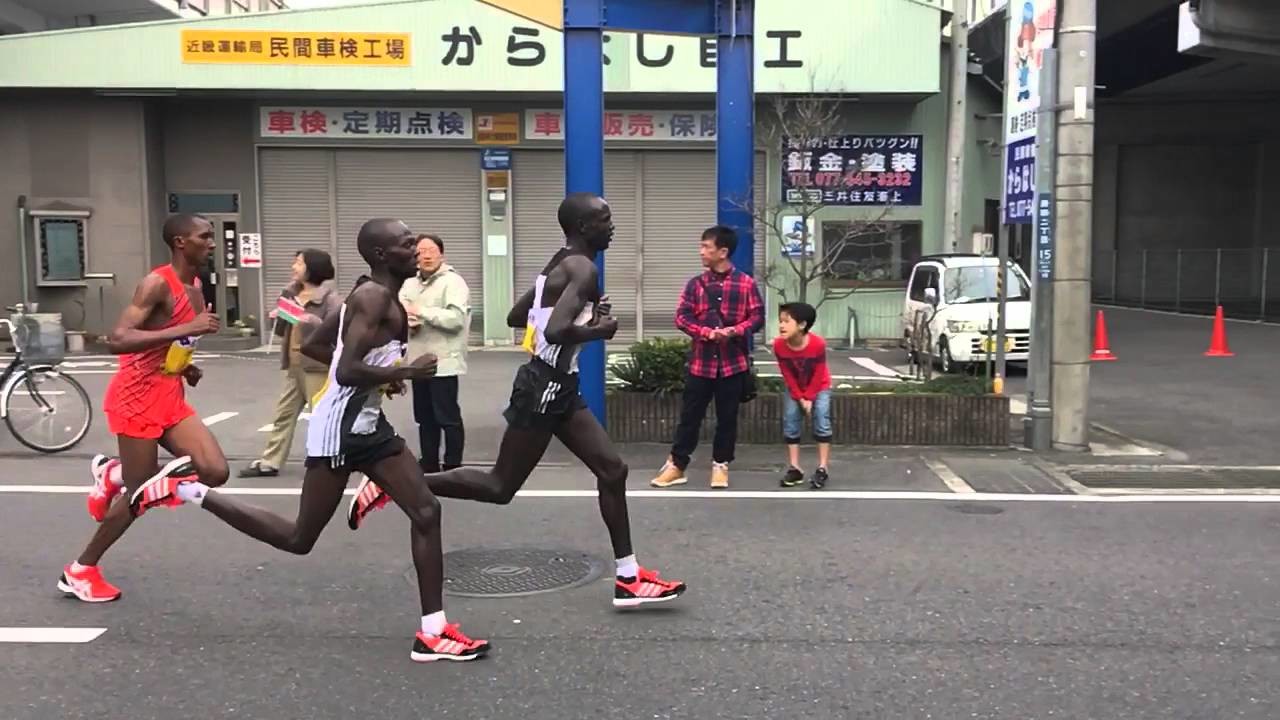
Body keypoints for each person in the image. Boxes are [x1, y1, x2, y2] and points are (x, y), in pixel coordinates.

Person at [128, 218, 490, 663]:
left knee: (427, 511)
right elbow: (345, 370)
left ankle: (433, 633)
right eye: (407, 243)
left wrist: (381, 378)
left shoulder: (375, 294)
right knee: (299, 538)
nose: (417, 248)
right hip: (339, 432)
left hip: (369, 428)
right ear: (381, 255)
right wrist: (403, 371)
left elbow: (319, 347)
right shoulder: (372, 297)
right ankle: (187, 489)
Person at [345, 193, 686, 609]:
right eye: (605, 219)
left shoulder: (559, 262)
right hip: (546, 387)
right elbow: (556, 331)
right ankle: (392, 482)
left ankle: (629, 578)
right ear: (583, 227)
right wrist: (601, 329)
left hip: (559, 385)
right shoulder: (583, 268)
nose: (612, 226)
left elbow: (517, 316)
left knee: (613, 471)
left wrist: (584, 315)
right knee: (499, 486)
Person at [65, 213, 228, 603]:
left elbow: (166, 342)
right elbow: (117, 339)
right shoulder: (157, 283)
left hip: (169, 395)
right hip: (136, 397)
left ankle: (112, 473)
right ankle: (80, 571)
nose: (212, 243)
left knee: (214, 471)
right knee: (139, 495)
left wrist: (185, 366)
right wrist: (187, 329)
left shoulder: (196, 286)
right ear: (180, 242)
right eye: (204, 236)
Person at [650, 225, 764, 490]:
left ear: (723, 252)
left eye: (706, 247)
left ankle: (721, 465)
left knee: (727, 418)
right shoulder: (695, 284)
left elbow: (757, 316)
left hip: (733, 364)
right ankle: (677, 465)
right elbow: (682, 317)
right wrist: (705, 333)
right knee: (689, 417)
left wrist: (735, 331)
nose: (701, 252)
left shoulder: (746, 284)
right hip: (701, 363)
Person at [240, 248, 341, 478]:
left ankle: (328, 460)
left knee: (321, 417)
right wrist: (278, 316)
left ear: (312, 268)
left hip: (317, 367)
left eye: (299, 263)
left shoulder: (331, 300)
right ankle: (270, 462)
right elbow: (281, 331)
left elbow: (335, 333)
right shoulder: (290, 293)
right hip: (294, 365)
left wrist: (310, 320)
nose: (293, 267)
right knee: (283, 415)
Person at [400, 233, 471, 473]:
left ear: (442, 254)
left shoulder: (453, 282)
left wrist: (421, 312)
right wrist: (408, 320)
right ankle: (429, 463)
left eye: (432, 250)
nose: (427, 256)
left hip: (445, 361)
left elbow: (456, 320)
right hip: (418, 362)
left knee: (447, 417)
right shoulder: (409, 283)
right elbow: (401, 309)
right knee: (424, 418)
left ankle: (453, 465)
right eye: (421, 251)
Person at [771, 302, 832, 489]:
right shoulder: (779, 345)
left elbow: (819, 372)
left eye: (787, 322)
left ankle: (822, 467)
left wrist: (810, 396)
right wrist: (800, 396)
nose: (781, 326)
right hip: (795, 387)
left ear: (802, 325)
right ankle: (795, 467)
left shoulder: (818, 344)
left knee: (821, 419)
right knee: (790, 421)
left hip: (819, 386)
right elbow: (787, 373)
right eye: (780, 321)